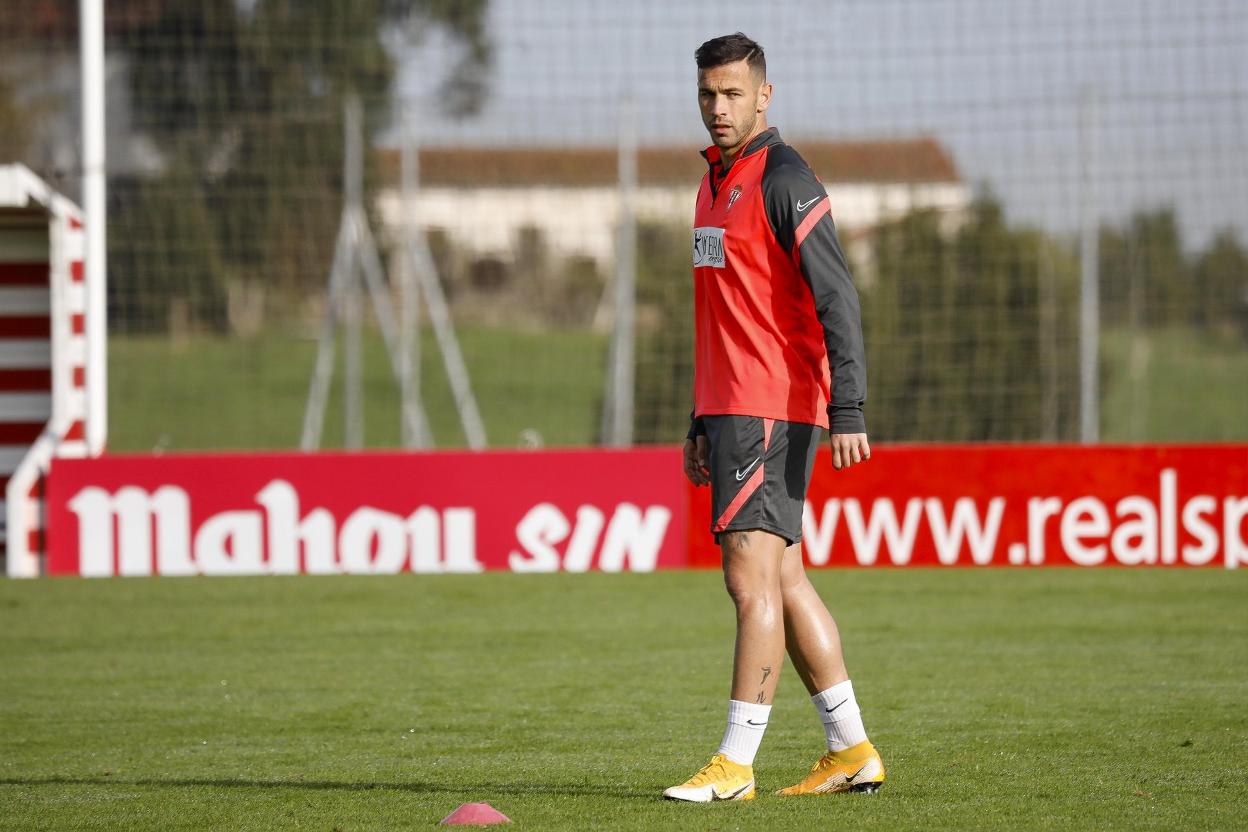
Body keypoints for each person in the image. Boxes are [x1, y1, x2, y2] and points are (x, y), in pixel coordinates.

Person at [662, 32, 885, 802]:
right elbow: (721, 315)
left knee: (748, 581)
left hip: (772, 409)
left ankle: (734, 765)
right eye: (706, 95)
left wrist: (848, 404)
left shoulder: (786, 179)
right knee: (784, 580)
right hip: (730, 409)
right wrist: (699, 417)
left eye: (731, 94)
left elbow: (839, 298)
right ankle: (850, 749)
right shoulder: (710, 186)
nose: (718, 108)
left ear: (765, 96)